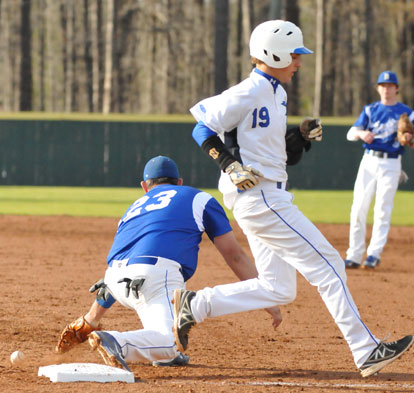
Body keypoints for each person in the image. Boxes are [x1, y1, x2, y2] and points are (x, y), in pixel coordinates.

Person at [171, 20, 413, 378]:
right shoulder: (249, 91)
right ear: (275, 53)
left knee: (278, 288)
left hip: (266, 194)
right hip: (260, 197)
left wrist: (299, 137)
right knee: (330, 265)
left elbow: (273, 151)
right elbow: (201, 127)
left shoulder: (278, 93)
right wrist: (227, 163)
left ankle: (197, 304)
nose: (299, 62)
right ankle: (366, 350)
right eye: (295, 55)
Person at [55, 155, 282, 370]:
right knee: (172, 340)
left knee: (164, 339)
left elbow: (122, 267)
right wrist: (266, 295)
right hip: (155, 279)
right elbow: (234, 255)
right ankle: (117, 342)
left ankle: (165, 355)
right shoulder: (199, 198)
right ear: (180, 182)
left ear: (145, 186)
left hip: (115, 280)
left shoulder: (132, 210)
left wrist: (91, 319)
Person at [344, 71, 414, 269]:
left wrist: (409, 138)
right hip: (369, 162)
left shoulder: (407, 112)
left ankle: (373, 254)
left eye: (390, 85)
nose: (386, 89)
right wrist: (361, 132)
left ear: (397, 88)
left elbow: (412, 137)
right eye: (383, 85)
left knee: (382, 209)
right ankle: (354, 255)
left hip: (392, 163)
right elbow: (350, 133)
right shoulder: (370, 110)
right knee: (358, 207)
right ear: (378, 88)